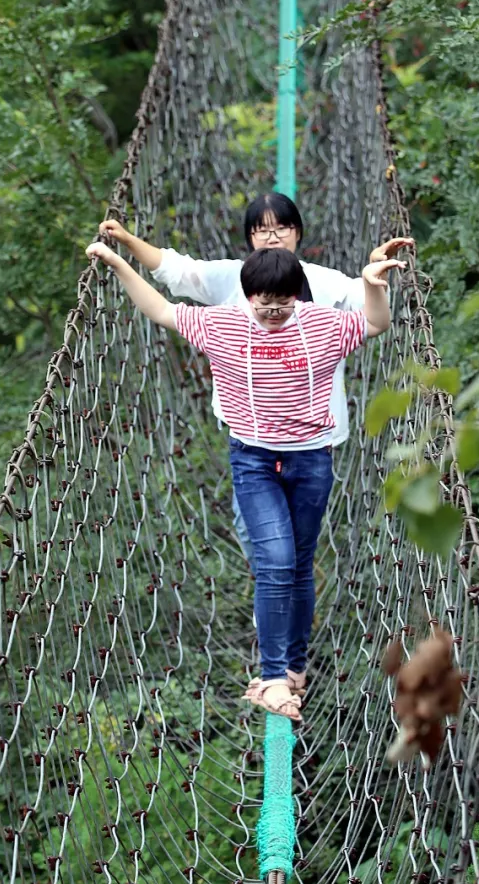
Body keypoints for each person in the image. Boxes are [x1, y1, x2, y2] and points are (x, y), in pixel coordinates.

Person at [84, 239, 404, 720]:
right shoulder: (225, 324)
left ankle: (295, 669)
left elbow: (376, 323)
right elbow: (162, 310)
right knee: (275, 561)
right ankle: (273, 678)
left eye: (281, 303)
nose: (271, 312)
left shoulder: (320, 325)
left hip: (312, 459)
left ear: (297, 294)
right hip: (253, 459)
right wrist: (116, 263)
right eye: (262, 303)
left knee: (298, 565)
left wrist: (371, 284)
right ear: (246, 295)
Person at [96, 193, 413, 562]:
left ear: (298, 232)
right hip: (250, 433)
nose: (273, 237)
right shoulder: (236, 278)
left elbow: (370, 307)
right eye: (262, 230)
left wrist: (374, 272)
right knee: (263, 541)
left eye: (282, 227)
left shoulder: (323, 284)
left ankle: (283, 598)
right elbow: (175, 274)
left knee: (294, 545)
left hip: (311, 434)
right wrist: (126, 244)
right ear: (249, 237)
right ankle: (273, 595)